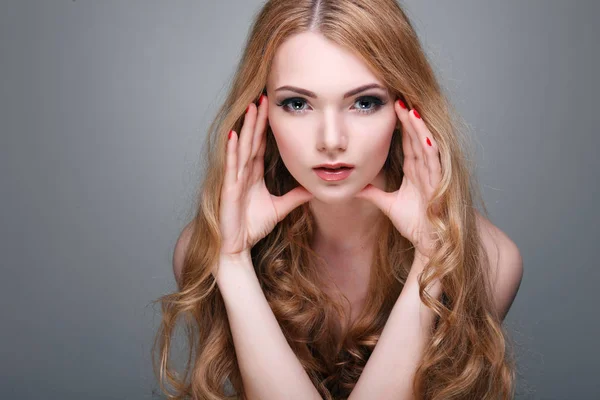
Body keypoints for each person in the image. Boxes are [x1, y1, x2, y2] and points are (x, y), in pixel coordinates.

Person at [152, 1, 524, 399]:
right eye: (297, 104)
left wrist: (432, 261)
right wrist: (233, 262)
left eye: (364, 103)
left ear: (408, 108)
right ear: (259, 112)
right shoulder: (206, 250)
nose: (331, 140)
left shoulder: (487, 258)